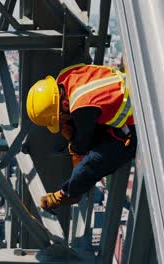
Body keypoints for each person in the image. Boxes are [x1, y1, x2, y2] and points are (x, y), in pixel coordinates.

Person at [26, 63, 137, 211]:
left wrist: (74, 145)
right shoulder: (65, 76)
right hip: (121, 92)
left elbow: (82, 145)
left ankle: (68, 194)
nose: (62, 124)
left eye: (61, 119)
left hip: (135, 120)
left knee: (93, 162)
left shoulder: (82, 105)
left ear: (65, 104)